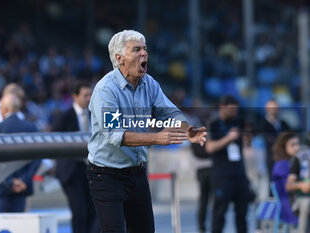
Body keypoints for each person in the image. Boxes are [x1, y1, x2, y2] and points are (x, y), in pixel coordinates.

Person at [87, 29, 207, 233]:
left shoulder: (149, 84)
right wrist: (157, 138)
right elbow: (117, 135)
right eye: (136, 50)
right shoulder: (106, 90)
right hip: (106, 175)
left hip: (137, 173)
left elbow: (172, 114)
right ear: (120, 59)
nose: (144, 53)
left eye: (145, 49)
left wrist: (185, 130)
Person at [52, 81, 99, 233]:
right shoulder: (64, 117)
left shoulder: (96, 114)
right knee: (80, 212)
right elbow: (52, 142)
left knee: (94, 212)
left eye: (91, 94)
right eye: (85, 95)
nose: (89, 98)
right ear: (74, 96)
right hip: (72, 171)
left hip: (92, 170)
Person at [0, 93, 41, 212]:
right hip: (22, 189)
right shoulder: (31, 128)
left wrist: (9, 181)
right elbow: (37, 158)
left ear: (4, 109)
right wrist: (23, 180)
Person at [205, 95, 250, 233]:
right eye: (231, 110)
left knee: (242, 212)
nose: (234, 113)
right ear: (222, 108)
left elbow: (246, 144)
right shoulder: (213, 123)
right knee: (219, 212)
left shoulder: (237, 122)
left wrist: (246, 137)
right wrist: (229, 138)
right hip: (222, 175)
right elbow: (210, 147)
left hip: (239, 173)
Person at [271, 132, 299, 226]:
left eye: (297, 144)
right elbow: (288, 187)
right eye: (292, 145)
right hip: (288, 204)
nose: (297, 148)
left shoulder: (291, 162)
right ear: (284, 147)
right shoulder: (283, 164)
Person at [261, 100, 289, 188]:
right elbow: (268, 139)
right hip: (272, 157)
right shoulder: (263, 124)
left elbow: (289, 136)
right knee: (273, 181)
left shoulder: (283, 123)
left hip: (283, 156)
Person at [286, 135, 310, 232]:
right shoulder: (301, 158)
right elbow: (289, 185)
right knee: (307, 203)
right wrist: (301, 185)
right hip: (302, 199)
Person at [191, 143, 212, 233]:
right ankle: (202, 226)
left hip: (213, 169)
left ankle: (212, 226)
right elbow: (197, 152)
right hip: (202, 170)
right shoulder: (196, 133)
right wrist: (211, 149)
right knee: (204, 199)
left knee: (216, 199)